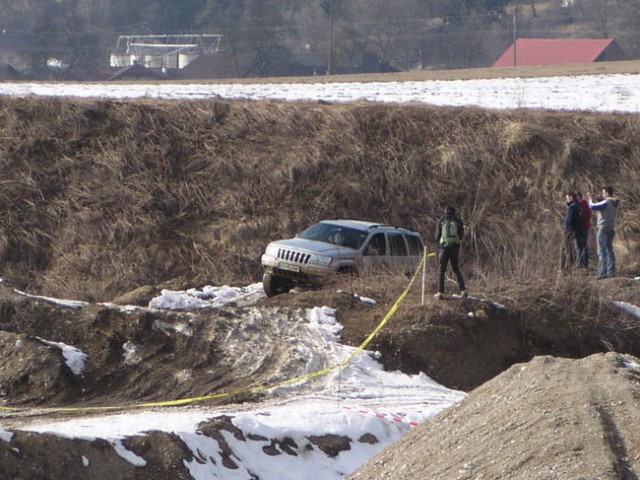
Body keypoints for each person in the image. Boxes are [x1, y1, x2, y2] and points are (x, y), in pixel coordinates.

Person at [434, 206, 467, 299]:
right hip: (455, 248)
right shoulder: (458, 221)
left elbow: (437, 235)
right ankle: (463, 290)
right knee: (456, 269)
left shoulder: (441, 220)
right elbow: (461, 236)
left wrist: (439, 244)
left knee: (441, 270)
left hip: (444, 248)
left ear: (445, 212)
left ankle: (440, 292)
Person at [588, 186, 619, 278]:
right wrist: (596, 197)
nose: (602, 194)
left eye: (603, 193)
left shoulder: (606, 202)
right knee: (610, 250)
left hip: (603, 228)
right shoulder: (614, 202)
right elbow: (602, 201)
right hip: (611, 228)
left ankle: (602, 272)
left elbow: (592, 206)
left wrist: (590, 199)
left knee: (601, 251)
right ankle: (611, 271)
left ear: (607, 194)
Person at [560, 191, 583, 271]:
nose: (566, 200)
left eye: (567, 198)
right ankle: (565, 266)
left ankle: (566, 266)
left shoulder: (572, 207)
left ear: (571, 197)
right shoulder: (578, 205)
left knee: (566, 248)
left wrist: (565, 228)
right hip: (575, 230)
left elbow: (568, 220)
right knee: (568, 247)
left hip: (569, 230)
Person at [576, 192, 592, 268]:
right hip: (587, 226)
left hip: (581, 227)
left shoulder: (579, 205)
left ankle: (580, 263)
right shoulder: (587, 204)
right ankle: (585, 263)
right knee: (584, 246)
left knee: (579, 246)